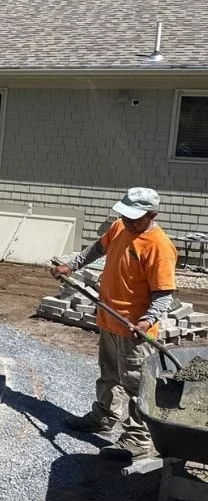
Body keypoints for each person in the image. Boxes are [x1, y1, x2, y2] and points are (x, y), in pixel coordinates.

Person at [51, 187, 177, 462]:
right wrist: (71, 266)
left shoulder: (159, 246)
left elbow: (163, 294)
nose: (129, 221)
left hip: (135, 330)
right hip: (109, 320)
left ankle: (138, 439)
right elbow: (97, 248)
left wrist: (146, 321)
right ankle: (104, 416)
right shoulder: (120, 227)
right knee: (108, 374)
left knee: (136, 385)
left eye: (136, 218)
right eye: (126, 215)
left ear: (152, 215)